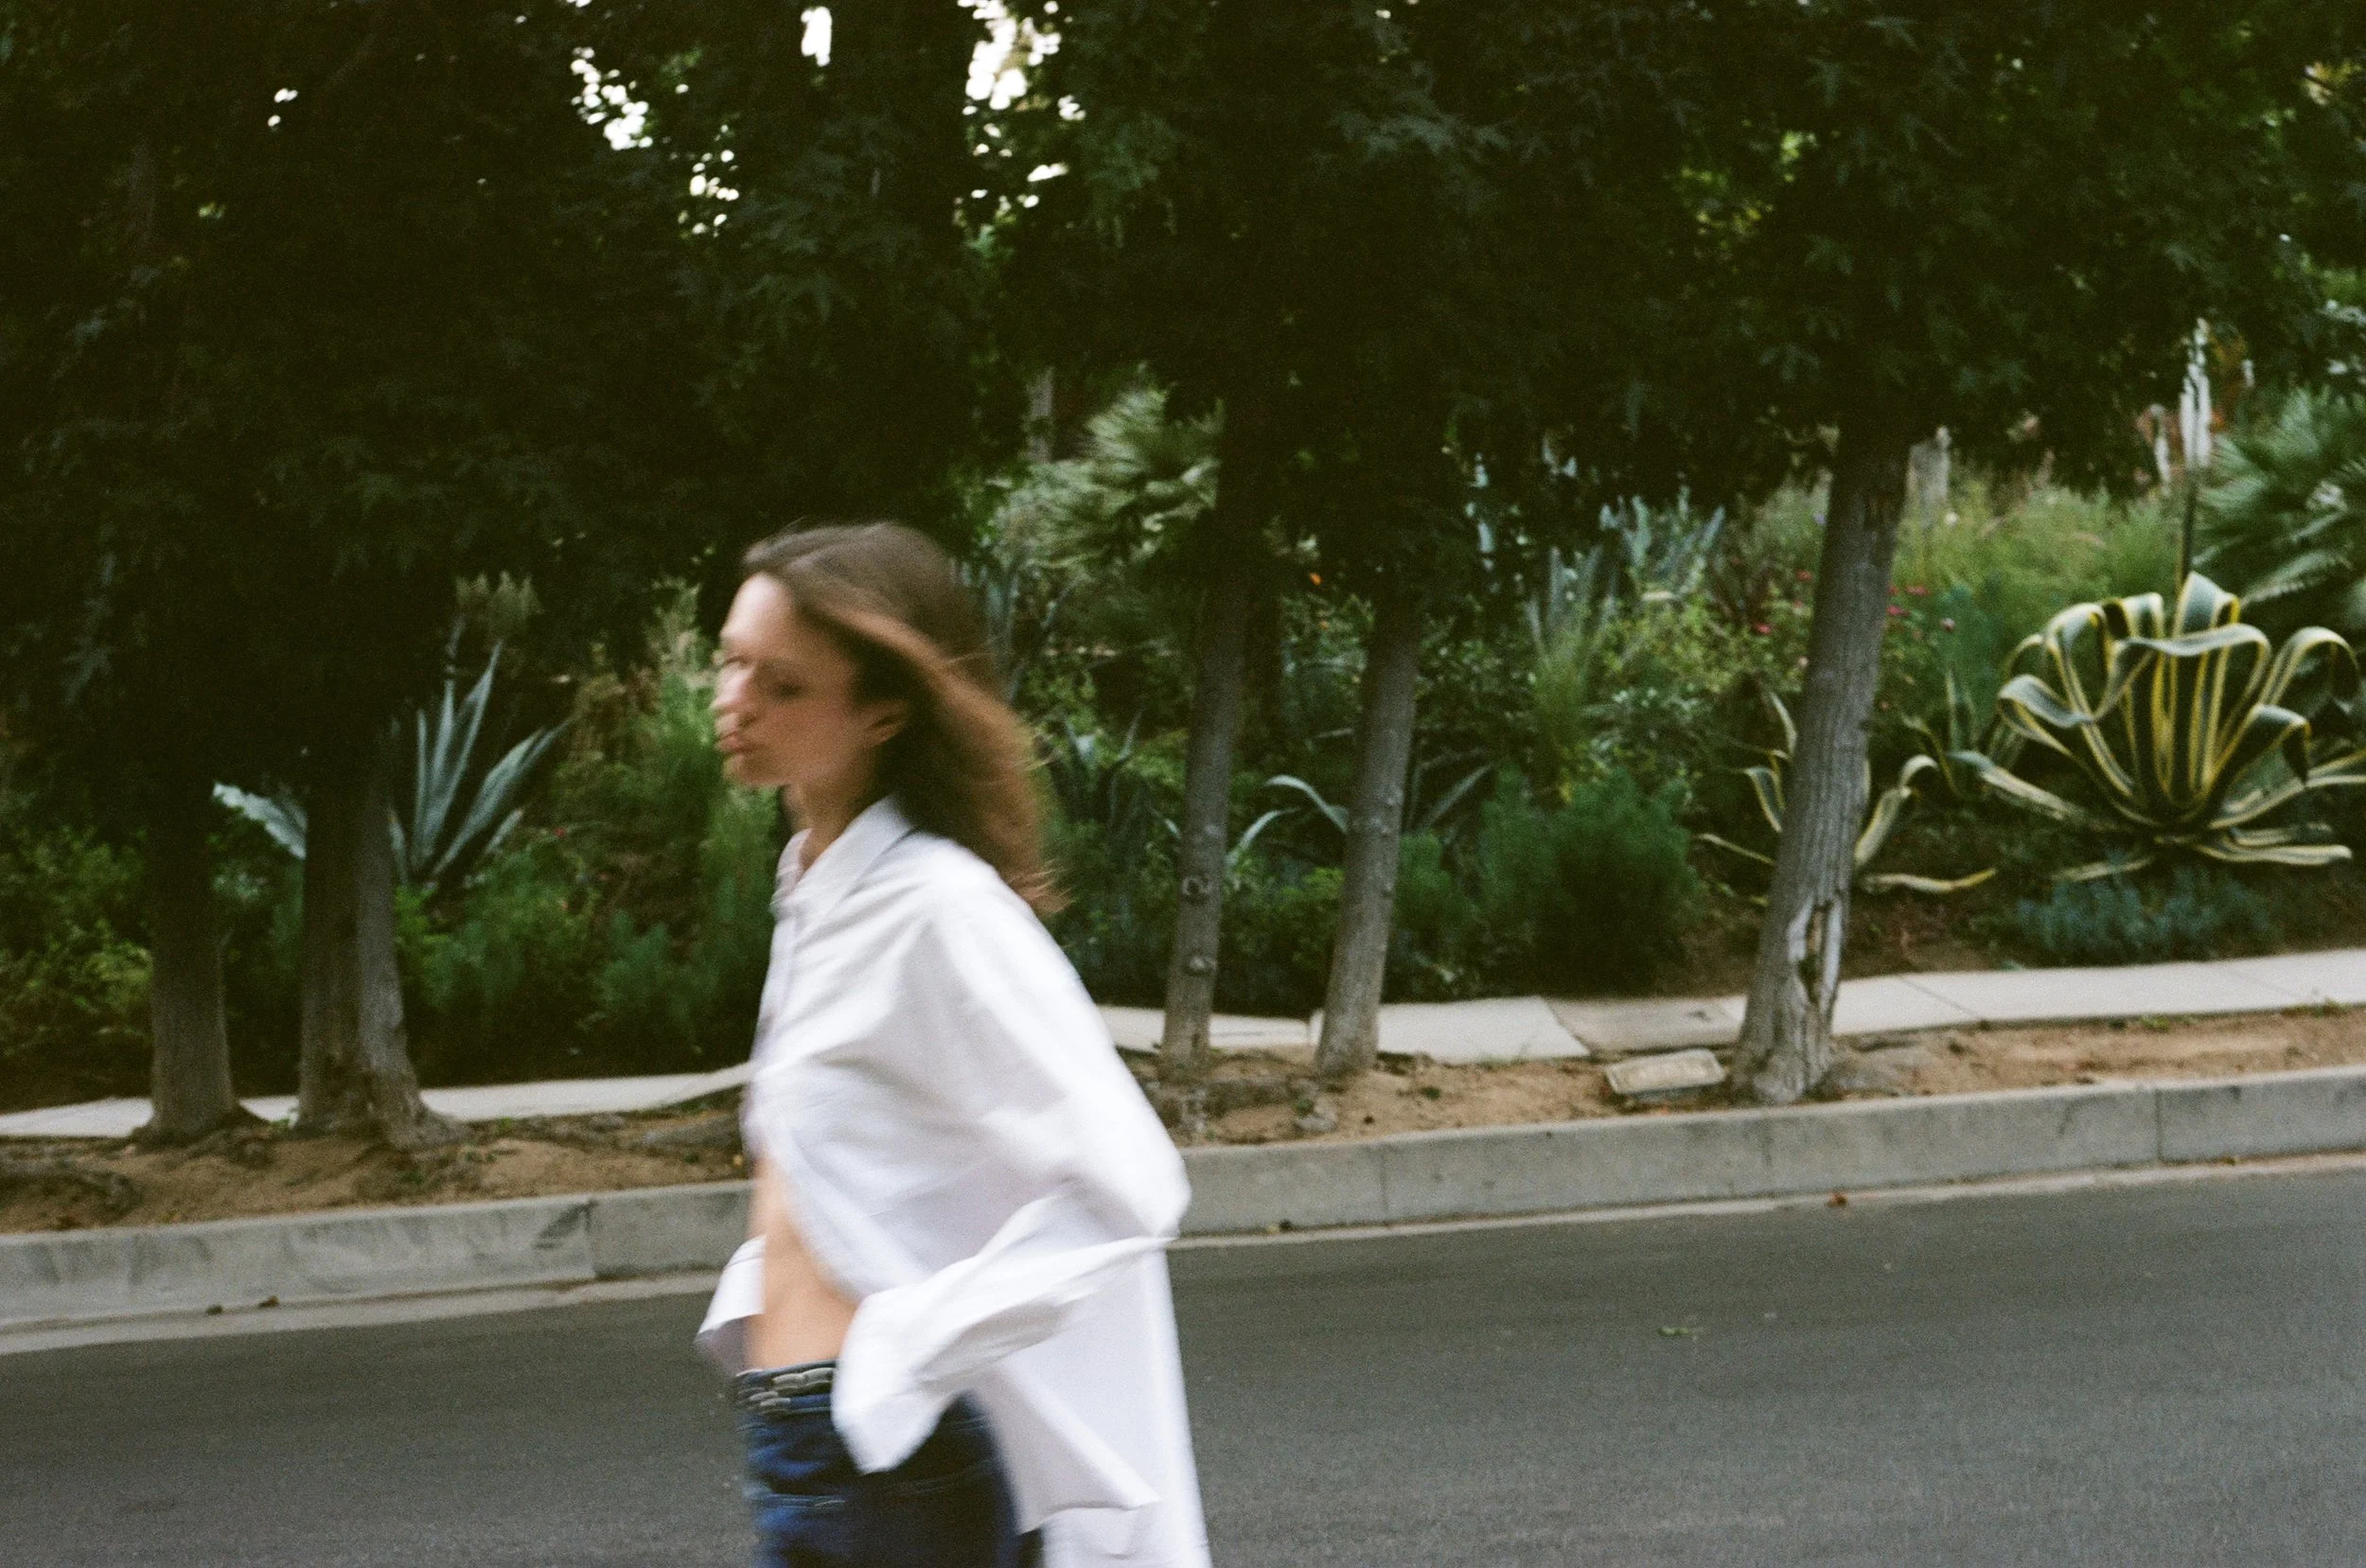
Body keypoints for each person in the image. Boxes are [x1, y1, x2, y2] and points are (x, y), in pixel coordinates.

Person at [699, 521, 1210, 1568]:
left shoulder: (935, 908)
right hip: (814, 1441)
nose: (734, 701)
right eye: (730, 659)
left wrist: (905, 1353)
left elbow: (1132, 1181)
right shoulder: (819, 887)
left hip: (883, 1462)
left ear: (885, 709)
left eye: (783, 684)